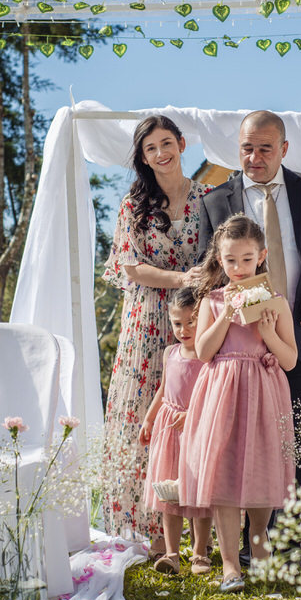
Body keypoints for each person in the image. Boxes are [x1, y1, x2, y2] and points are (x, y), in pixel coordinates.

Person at [200, 110, 301, 562]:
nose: (254, 157)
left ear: (284, 149)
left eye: (265, 148)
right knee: (247, 446)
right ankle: (255, 546)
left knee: (299, 444)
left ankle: (296, 543)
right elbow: (209, 275)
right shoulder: (215, 202)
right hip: (241, 356)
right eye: (247, 148)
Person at [101, 116, 209, 545]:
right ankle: (149, 525)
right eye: (151, 148)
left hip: (195, 319)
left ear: (182, 144)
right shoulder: (134, 206)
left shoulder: (208, 198)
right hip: (146, 320)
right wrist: (182, 279)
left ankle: (199, 525)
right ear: (143, 157)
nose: (161, 153)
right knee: (142, 416)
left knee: (192, 414)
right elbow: (130, 266)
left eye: (167, 143)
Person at [181, 215, 296, 593]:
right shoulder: (214, 301)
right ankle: (230, 565)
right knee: (226, 472)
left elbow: (290, 358)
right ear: (219, 258)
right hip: (223, 392)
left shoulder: (276, 302)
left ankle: (259, 550)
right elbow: (202, 351)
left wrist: (265, 331)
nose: (239, 268)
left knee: (262, 466)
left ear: (261, 256)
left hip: (263, 392)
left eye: (247, 259)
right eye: (231, 261)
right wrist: (228, 315)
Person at [139, 287, 214, 576]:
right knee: (169, 493)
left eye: (191, 322)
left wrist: (193, 415)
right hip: (169, 430)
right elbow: (163, 389)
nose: (184, 330)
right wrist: (148, 418)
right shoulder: (170, 353)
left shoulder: (208, 355)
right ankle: (171, 554)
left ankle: (199, 553)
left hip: (197, 431)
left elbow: (211, 394)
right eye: (177, 323)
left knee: (199, 493)